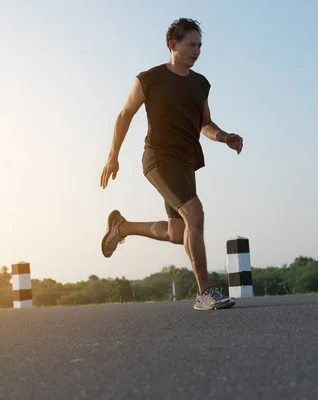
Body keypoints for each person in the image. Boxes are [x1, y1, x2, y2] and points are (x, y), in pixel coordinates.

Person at [99, 18, 244, 311]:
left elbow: (205, 124)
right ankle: (206, 293)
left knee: (178, 232)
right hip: (158, 158)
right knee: (195, 213)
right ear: (172, 45)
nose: (197, 51)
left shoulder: (200, 83)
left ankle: (122, 227)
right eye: (191, 45)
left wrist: (224, 136)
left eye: (200, 45)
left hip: (186, 161)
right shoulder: (148, 79)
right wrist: (113, 155)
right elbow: (125, 115)